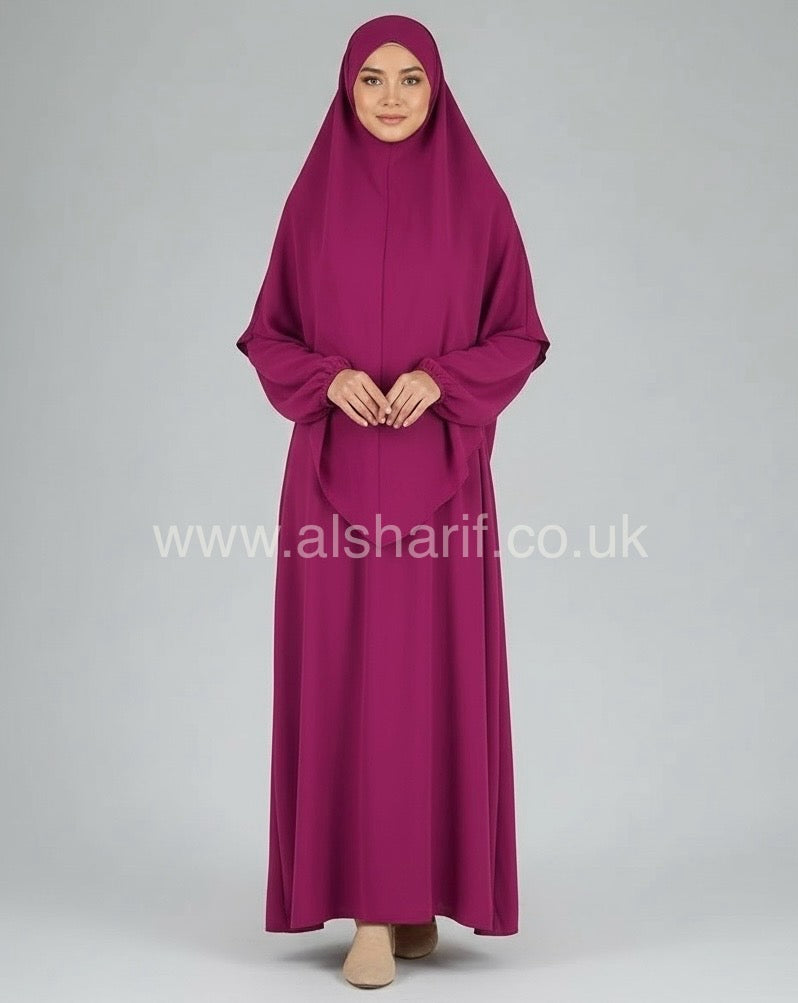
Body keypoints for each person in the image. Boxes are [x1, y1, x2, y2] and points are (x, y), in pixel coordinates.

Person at [235, 13, 551, 990]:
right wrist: (326, 377)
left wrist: (441, 379)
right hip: (331, 485)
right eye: (371, 77)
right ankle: (370, 910)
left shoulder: (478, 202)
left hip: (441, 485)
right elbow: (268, 332)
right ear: (345, 88)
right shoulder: (312, 201)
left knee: (429, 684)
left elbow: (520, 333)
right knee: (348, 681)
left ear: (437, 89)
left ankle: (416, 896)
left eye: (410, 78)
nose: (390, 96)